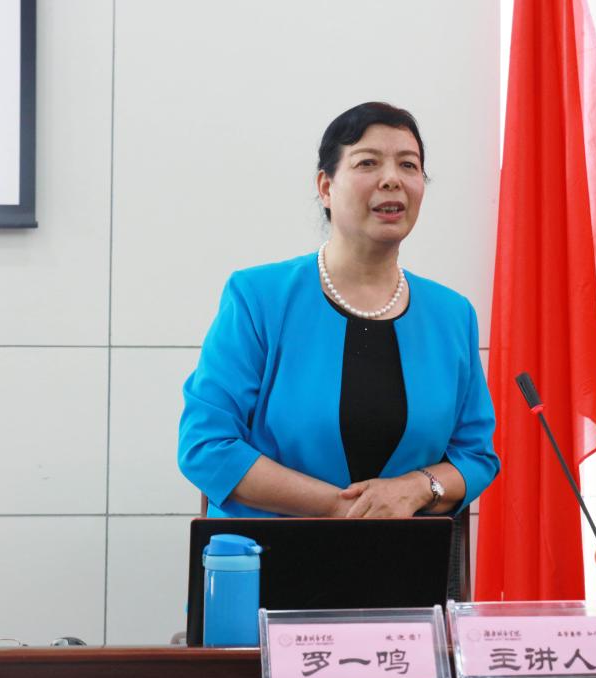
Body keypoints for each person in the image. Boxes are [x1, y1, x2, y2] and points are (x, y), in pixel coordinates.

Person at [178, 102, 499, 518]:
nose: (392, 179)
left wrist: (418, 488)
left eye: (408, 165)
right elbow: (206, 445)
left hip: (406, 554)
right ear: (326, 187)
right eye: (368, 163)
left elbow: (475, 455)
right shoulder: (258, 297)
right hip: (270, 552)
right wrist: (345, 511)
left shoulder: (452, 315)